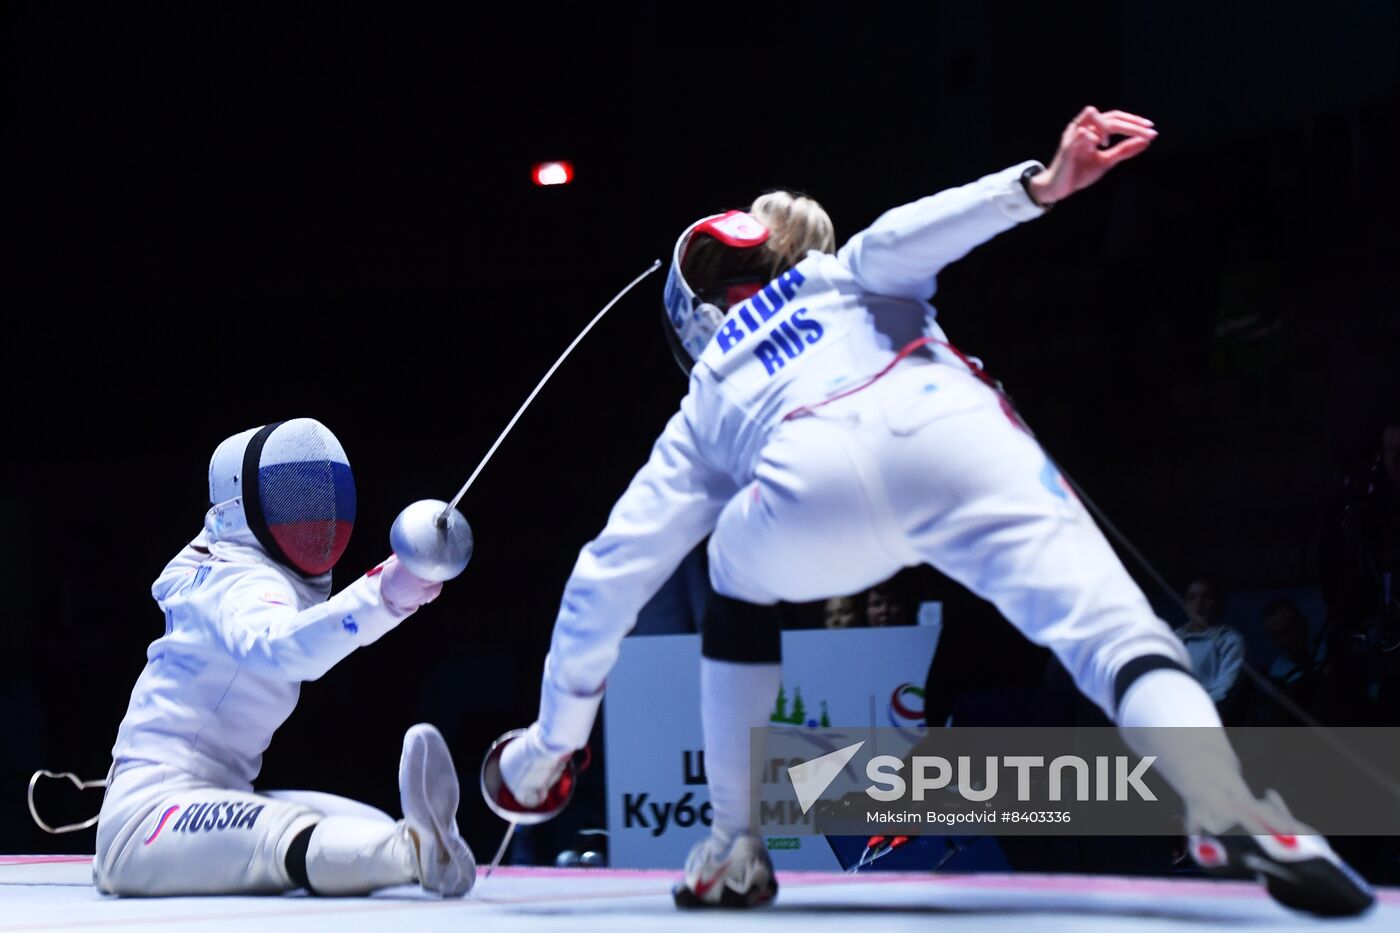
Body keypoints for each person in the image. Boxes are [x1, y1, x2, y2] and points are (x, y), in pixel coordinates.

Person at [493, 107, 1373, 915]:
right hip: (959, 440)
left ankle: (732, 847)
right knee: (1117, 636)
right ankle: (1225, 799)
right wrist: (1040, 186)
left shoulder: (711, 394)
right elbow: (912, 232)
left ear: (690, 318)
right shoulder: (844, 276)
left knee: (730, 570)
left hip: (812, 489)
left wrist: (548, 748)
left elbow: (607, 575)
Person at [93, 419, 476, 898]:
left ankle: (414, 844)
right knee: (284, 835)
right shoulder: (240, 583)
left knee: (361, 823)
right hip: (147, 822)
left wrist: (391, 592)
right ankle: (414, 855)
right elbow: (282, 650)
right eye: (296, 498)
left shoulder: (231, 570)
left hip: (219, 796)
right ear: (245, 508)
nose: (317, 517)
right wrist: (384, 595)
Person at [1174, 577, 1246, 706]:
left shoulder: (1229, 640)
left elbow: (1224, 689)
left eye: (1206, 597)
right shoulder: (1173, 638)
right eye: (1192, 597)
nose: (1199, 604)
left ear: (1218, 602)